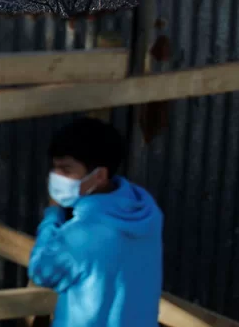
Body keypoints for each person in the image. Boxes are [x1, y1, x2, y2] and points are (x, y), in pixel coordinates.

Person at [28, 117, 163, 327]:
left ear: (99, 175)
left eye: (66, 170)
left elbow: (41, 271)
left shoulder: (81, 235)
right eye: (54, 168)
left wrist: (53, 213)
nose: (55, 176)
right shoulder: (147, 212)